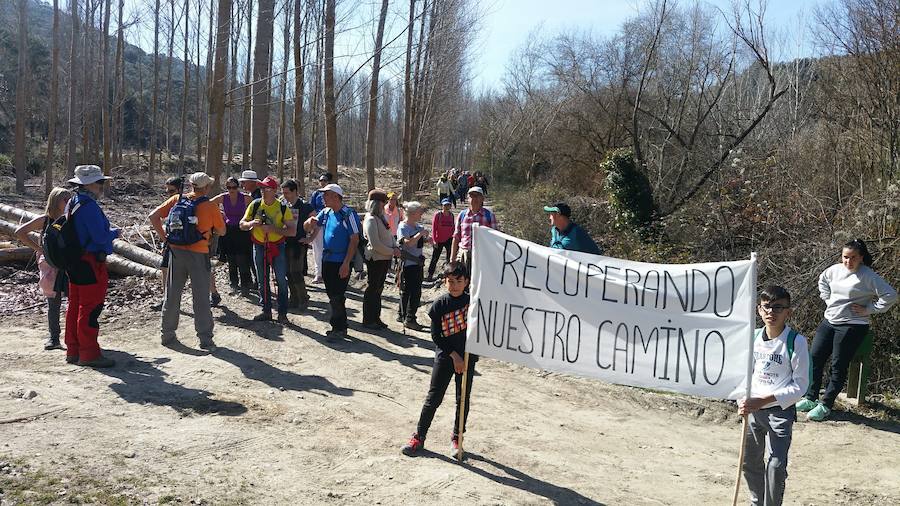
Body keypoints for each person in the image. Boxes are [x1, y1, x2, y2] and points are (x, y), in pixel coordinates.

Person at [796, 239, 897, 421]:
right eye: (845, 257)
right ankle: (810, 398)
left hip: (853, 325)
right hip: (829, 321)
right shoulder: (834, 270)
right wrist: (828, 300)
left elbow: (890, 295)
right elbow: (823, 281)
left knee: (838, 365)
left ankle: (826, 405)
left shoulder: (868, 276)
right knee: (815, 358)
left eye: (853, 258)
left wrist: (869, 309)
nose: (848, 261)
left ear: (861, 258)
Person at [739, 285, 809, 506]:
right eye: (767, 307)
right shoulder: (752, 337)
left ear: (788, 312)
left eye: (778, 307)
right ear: (759, 310)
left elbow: (800, 385)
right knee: (749, 461)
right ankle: (756, 501)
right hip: (752, 409)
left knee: (776, 465)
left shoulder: (796, 342)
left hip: (779, 411)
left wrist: (765, 400)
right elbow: (744, 373)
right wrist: (743, 397)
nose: (771, 312)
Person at [401, 263, 477, 458]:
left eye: (459, 281)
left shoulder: (474, 304)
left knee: (462, 399)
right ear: (444, 281)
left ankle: (457, 438)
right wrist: (454, 356)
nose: (454, 285)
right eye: (450, 281)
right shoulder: (439, 305)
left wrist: (467, 356)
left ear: (467, 282)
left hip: (468, 358)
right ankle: (419, 436)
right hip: (446, 357)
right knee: (433, 398)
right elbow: (437, 336)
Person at [150, 172, 226, 350]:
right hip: (199, 254)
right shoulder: (210, 206)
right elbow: (222, 231)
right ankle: (205, 339)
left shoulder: (177, 199)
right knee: (200, 298)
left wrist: (166, 239)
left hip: (176, 253)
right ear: (206, 187)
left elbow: (153, 217)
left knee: (172, 295)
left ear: (191, 186)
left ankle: (167, 335)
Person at [64, 165, 120, 368]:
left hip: (75, 261)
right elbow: (100, 236)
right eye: (100, 182)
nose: (102, 186)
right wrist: (115, 233)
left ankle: (73, 350)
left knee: (75, 305)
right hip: (90, 262)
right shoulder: (89, 207)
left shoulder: (72, 202)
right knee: (90, 308)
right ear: (91, 184)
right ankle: (88, 354)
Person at [15, 187, 73, 351]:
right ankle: (54, 338)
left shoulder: (72, 219)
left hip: (68, 264)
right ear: (56, 201)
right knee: (53, 302)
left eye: (70, 199)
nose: (69, 202)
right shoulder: (45, 220)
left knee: (73, 300)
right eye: (65, 199)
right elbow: (20, 232)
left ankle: (74, 338)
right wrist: (40, 249)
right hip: (50, 265)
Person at [305, 183, 360, 340]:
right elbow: (308, 226)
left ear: (336, 196)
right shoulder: (326, 212)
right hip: (327, 259)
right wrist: (309, 223)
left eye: (326, 195)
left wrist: (346, 263)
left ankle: (338, 328)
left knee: (337, 295)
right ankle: (340, 325)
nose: (323, 198)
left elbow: (354, 240)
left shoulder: (348, 214)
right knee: (332, 294)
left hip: (341, 260)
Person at [240, 176, 295, 324]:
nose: (264, 191)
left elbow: (292, 231)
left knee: (281, 280)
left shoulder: (282, 207)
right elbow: (242, 224)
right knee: (261, 279)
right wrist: (252, 223)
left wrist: (273, 229)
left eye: (267, 189)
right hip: (258, 245)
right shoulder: (255, 205)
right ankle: (266, 310)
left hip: (277, 246)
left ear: (274, 191)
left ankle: (282, 312)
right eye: (262, 188)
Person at [361, 188, 401, 330]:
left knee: (379, 288)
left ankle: (375, 318)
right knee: (373, 288)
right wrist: (393, 251)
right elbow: (375, 244)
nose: (384, 205)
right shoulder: (371, 219)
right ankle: (368, 319)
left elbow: (389, 235)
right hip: (376, 259)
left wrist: (395, 247)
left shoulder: (380, 217)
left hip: (384, 258)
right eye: (382, 202)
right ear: (376, 203)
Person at [210, 176, 253, 295]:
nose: (231, 190)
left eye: (234, 187)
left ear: (238, 187)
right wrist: (219, 214)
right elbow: (208, 204)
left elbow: (256, 208)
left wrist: (250, 221)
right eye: (229, 187)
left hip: (242, 230)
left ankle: (246, 284)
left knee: (242, 258)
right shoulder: (223, 198)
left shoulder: (245, 198)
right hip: (228, 230)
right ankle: (233, 284)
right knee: (231, 258)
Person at [150, 176, 184, 311]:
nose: (169, 194)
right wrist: (165, 239)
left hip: (182, 242)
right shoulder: (176, 201)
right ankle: (166, 299)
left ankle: (213, 293)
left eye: (172, 191)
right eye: (167, 191)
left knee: (199, 270)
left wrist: (165, 239)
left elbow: (153, 217)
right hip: (175, 241)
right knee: (165, 269)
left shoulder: (181, 200)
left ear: (180, 189)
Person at [281, 178, 314, 310]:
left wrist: (310, 239)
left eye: (287, 192)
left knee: (296, 272)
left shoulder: (305, 206)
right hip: (285, 242)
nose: (285, 195)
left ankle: (303, 298)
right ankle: (293, 298)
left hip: (298, 244)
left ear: (295, 191)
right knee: (287, 272)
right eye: (283, 193)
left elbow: (316, 224)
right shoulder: (283, 205)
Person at [450, 186, 499, 274]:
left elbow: (495, 239)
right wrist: (452, 258)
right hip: (463, 255)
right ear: (468, 198)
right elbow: (456, 237)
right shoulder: (462, 215)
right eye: (471, 196)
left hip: (483, 256)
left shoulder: (489, 216)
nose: (474, 198)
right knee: (463, 283)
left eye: (477, 195)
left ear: (482, 199)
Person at [397, 201, 430, 330]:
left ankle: (403, 314)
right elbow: (407, 244)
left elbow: (418, 242)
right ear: (413, 213)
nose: (421, 214)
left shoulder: (417, 226)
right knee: (411, 291)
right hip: (408, 264)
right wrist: (420, 234)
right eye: (419, 212)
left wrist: (427, 239)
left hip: (417, 263)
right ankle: (409, 318)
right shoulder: (403, 227)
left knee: (412, 291)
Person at [308, 173, 332, 283]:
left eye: (325, 180)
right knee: (317, 249)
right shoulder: (316, 194)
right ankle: (319, 274)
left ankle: (329, 273)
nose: (322, 182)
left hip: (331, 224)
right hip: (318, 224)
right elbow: (311, 209)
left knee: (329, 249)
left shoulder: (333, 194)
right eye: (321, 180)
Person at [427, 199, 454, 281]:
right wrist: (435, 240)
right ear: (442, 206)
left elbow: (453, 227)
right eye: (445, 205)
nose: (447, 207)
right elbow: (434, 228)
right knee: (435, 258)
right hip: (439, 239)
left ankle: (448, 273)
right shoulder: (438, 215)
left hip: (449, 239)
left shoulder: (451, 215)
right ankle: (430, 274)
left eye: (448, 205)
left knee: (449, 257)